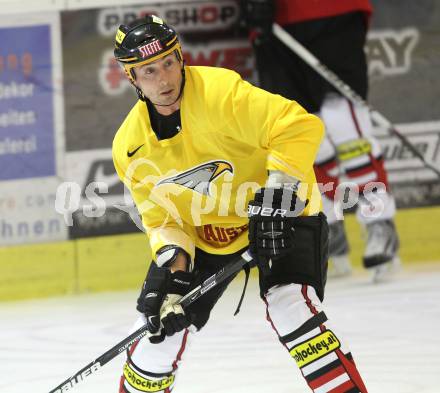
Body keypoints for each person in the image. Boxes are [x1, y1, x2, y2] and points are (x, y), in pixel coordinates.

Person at [112, 15, 368, 393]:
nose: (164, 79)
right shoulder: (130, 147)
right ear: (131, 78)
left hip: (282, 210)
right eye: (149, 70)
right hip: (208, 233)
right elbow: (163, 218)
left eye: (169, 62)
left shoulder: (220, 93)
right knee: (153, 334)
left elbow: (298, 125)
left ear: (180, 57)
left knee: (290, 305)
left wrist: (278, 194)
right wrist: (174, 271)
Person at [241, 0, 400, 281]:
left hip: (331, 11)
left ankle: (379, 224)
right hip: (274, 21)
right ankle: (325, 228)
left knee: (345, 122)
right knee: (298, 131)